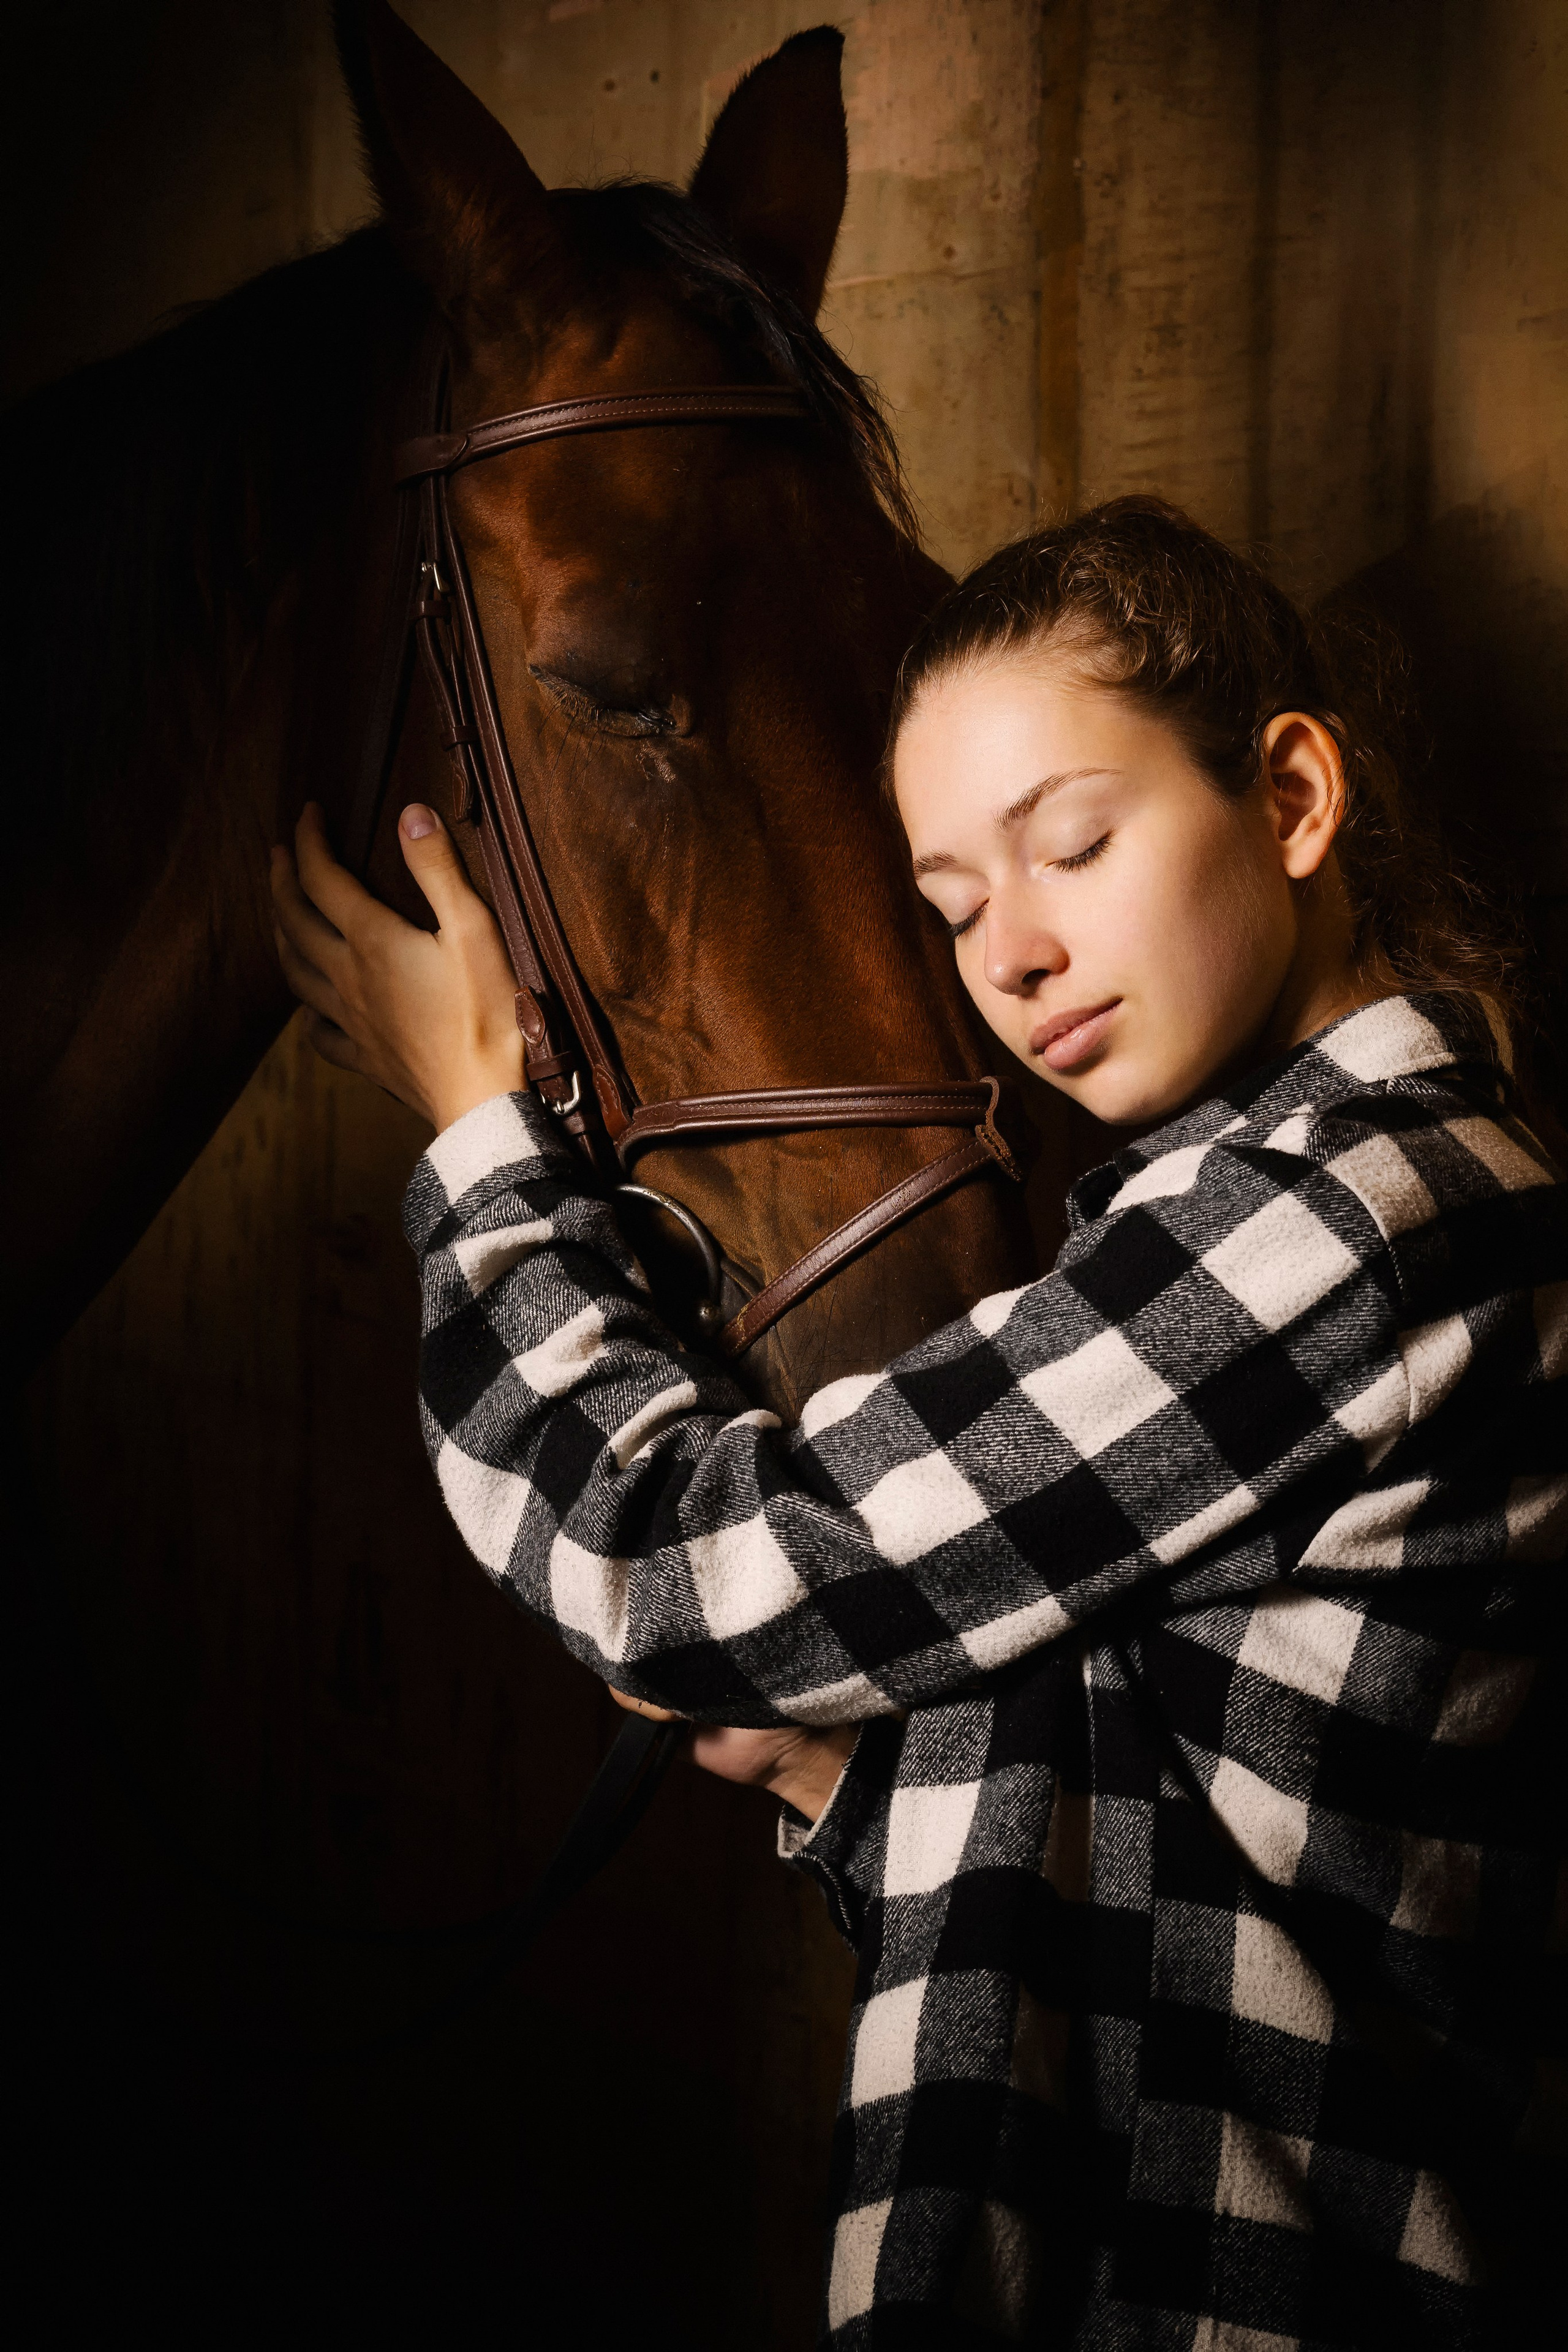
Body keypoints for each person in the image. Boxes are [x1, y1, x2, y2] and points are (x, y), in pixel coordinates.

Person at [272, 498, 1563, 2347]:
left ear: (1289, 799)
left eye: (1077, 846)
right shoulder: (1311, 1213)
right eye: (954, 906)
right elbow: (1214, 1879)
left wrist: (482, 1143)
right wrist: (847, 1772)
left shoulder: (1346, 1228)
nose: (1013, 954)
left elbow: (684, 1567)